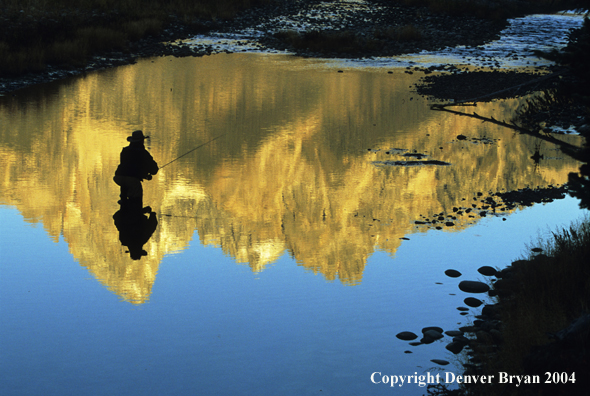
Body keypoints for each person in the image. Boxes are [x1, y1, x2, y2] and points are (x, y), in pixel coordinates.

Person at [113, 130, 159, 211]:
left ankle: (123, 205)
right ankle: (135, 214)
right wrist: (152, 216)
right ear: (141, 141)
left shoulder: (125, 151)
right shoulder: (143, 153)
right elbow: (154, 170)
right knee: (136, 200)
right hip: (132, 180)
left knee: (125, 189)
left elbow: (129, 168)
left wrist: (144, 175)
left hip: (118, 177)